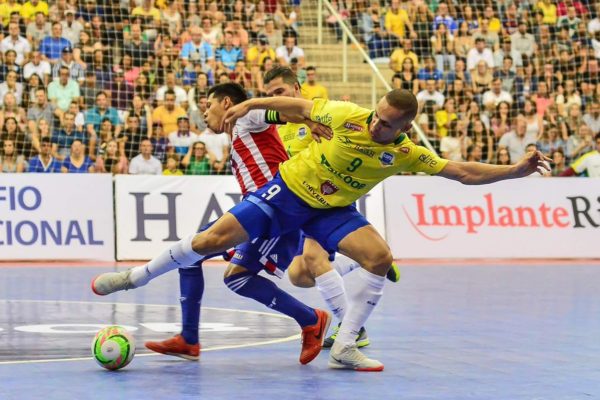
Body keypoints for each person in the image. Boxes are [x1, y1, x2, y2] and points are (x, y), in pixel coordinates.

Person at [93, 86, 550, 371]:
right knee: (212, 241)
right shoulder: (348, 114)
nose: (376, 125)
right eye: (376, 115)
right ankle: (133, 278)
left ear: (405, 128)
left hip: (332, 210)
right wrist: (252, 101)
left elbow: (462, 173)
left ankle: (345, 345)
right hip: (288, 193)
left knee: (379, 256)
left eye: (387, 124)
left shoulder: (407, 154)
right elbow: (295, 104)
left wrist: (515, 171)